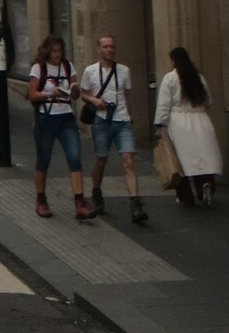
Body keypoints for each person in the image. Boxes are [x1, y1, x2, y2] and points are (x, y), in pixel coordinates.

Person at [79, 34, 148, 223]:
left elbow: (127, 95)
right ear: (99, 49)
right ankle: (96, 190)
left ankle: (135, 203)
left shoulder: (124, 71)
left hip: (122, 120)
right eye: (105, 46)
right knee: (101, 160)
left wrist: (130, 116)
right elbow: (84, 94)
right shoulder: (90, 71)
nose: (109, 49)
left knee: (128, 161)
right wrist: (95, 101)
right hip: (101, 121)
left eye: (112, 46)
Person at [27, 35, 94, 221]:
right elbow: (32, 94)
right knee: (43, 159)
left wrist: (74, 90)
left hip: (66, 117)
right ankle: (41, 200)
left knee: (75, 157)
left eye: (59, 51)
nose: (57, 55)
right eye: (54, 51)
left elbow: (75, 94)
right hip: (46, 118)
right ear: (47, 52)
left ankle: (79, 203)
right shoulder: (38, 68)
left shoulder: (67, 66)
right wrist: (50, 95)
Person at [153, 45, 224, 207]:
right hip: (200, 118)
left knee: (181, 161)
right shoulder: (199, 77)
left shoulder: (170, 78)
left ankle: (186, 196)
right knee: (203, 155)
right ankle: (205, 184)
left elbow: (164, 104)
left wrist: (160, 124)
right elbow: (208, 100)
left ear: (173, 60)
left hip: (179, 121)